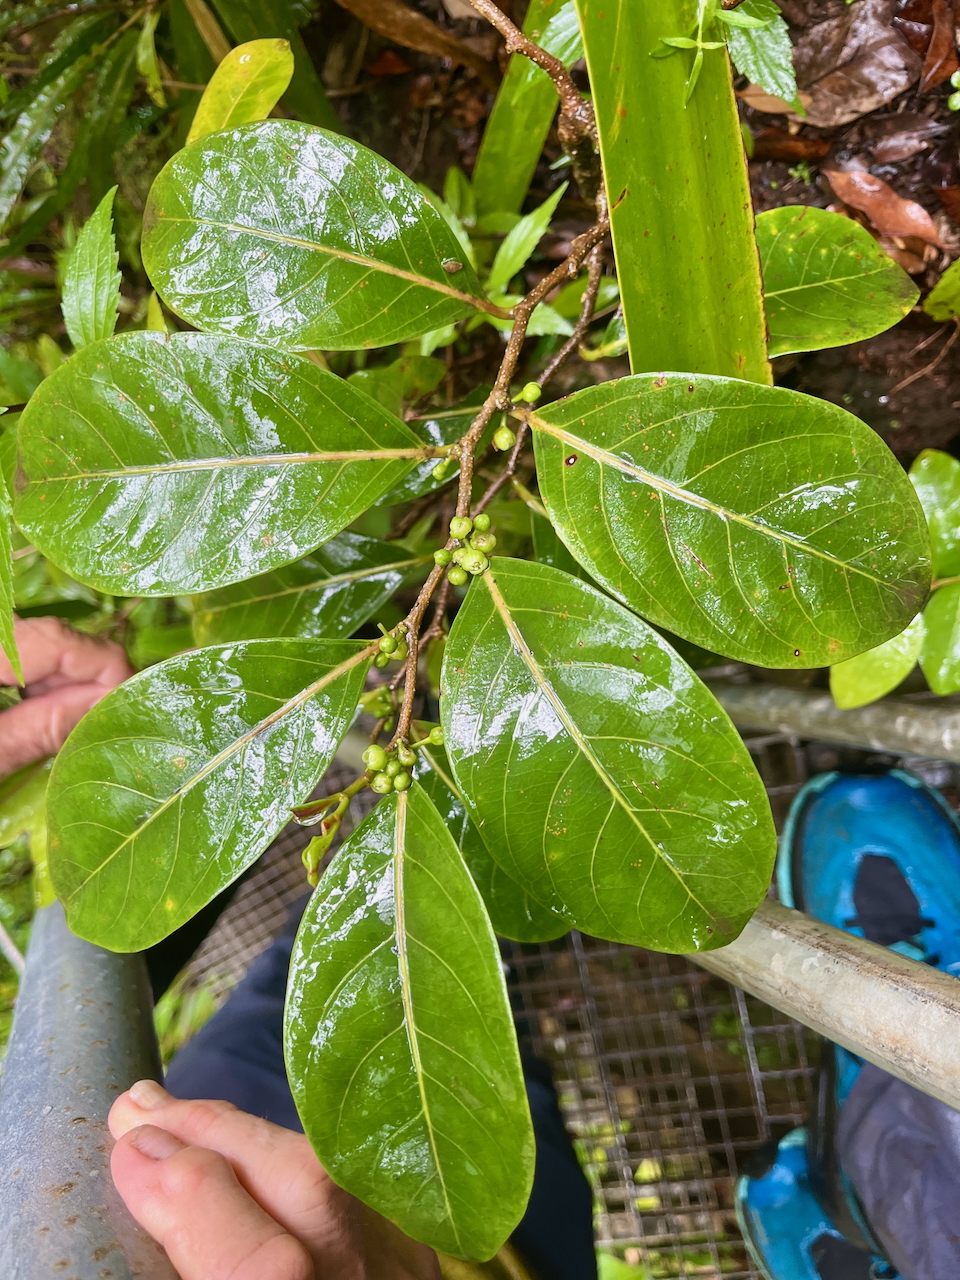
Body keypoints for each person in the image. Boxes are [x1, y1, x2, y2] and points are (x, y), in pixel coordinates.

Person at [0, 617, 596, 1280]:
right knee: (488, 1031)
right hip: (482, 1242)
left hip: (215, 1126)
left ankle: (426, 741)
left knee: (313, 955)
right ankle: (495, 896)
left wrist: (140, 740)